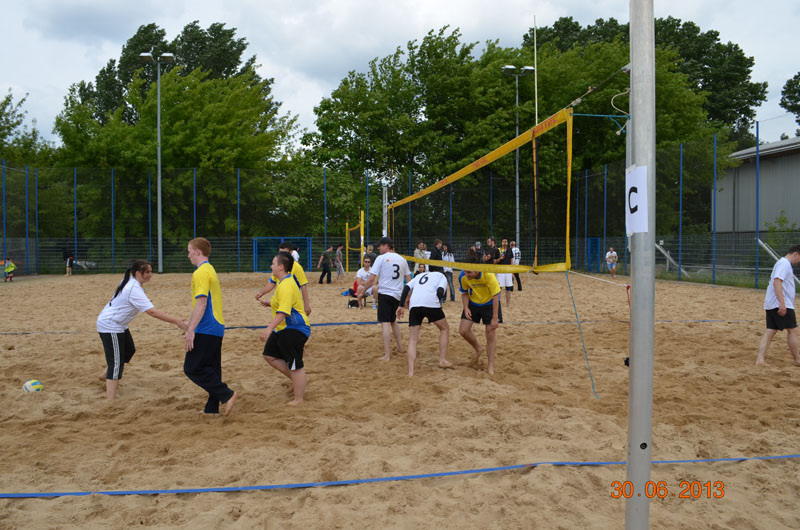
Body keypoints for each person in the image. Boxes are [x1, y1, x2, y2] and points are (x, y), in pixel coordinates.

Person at [96, 260, 187, 400]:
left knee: (129, 350)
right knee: (116, 364)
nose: (150, 274)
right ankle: (110, 400)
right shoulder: (133, 287)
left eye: (151, 271)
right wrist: (177, 321)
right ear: (138, 273)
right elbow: (152, 312)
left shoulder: (131, 282)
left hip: (119, 324)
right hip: (110, 325)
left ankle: (104, 375)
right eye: (147, 272)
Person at [184, 237, 239, 416]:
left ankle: (227, 394)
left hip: (206, 327)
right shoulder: (210, 269)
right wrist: (190, 322)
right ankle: (211, 408)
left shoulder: (200, 272)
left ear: (197, 252)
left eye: (189, 251)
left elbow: (202, 303)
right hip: (217, 326)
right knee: (212, 369)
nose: (188, 255)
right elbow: (200, 304)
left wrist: (191, 330)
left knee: (192, 368)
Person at [259, 253, 311, 405]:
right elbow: (284, 303)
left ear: (281, 267)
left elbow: (283, 312)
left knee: (295, 364)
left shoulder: (287, 284)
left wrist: (269, 328)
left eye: (273, 263)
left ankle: (299, 399)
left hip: (295, 328)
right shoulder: (283, 282)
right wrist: (270, 303)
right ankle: (298, 381)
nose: (271, 266)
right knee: (269, 355)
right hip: (284, 328)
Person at [396, 268, 452, 376]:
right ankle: (442, 360)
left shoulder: (419, 275)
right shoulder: (442, 277)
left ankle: (411, 372)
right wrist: (436, 309)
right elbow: (440, 291)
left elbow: (406, 287)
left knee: (413, 340)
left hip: (414, 305)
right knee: (444, 329)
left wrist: (401, 305)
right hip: (431, 303)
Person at [363, 236, 411, 360]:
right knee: (393, 322)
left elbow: (372, 278)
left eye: (380, 246)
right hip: (398, 295)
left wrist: (362, 291)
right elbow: (409, 280)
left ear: (386, 246)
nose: (378, 248)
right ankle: (400, 348)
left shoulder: (381, 258)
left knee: (385, 323)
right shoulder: (402, 259)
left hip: (385, 294)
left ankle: (387, 355)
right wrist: (408, 297)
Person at [755, 244, 800, 366]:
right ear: (796, 254)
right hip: (780, 304)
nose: (799, 262)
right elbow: (777, 282)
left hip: (773, 304)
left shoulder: (782, 263)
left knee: (770, 331)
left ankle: (760, 359)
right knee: (793, 330)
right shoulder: (785, 263)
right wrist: (782, 303)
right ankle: (797, 360)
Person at [459, 262, 502, 375]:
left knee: (490, 333)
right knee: (463, 330)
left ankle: (490, 366)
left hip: (490, 303)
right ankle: (478, 348)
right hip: (473, 303)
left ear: (477, 270)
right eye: (465, 271)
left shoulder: (489, 275)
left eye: (469, 272)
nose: (466, 274)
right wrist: (466, 307)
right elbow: (464, 292)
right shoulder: (463, 276)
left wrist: (495, 317)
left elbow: (496, 296)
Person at [256, 241, 312, 317]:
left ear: (291, 252)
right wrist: (262, 292)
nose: (282, 255)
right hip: (282, 299)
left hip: (293, 302)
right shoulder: (277, 267)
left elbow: (303, 285)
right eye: (280, 252)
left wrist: (306, 305)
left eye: (284, 252)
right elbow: (272, 283)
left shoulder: (297, 267)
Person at [496, 238, 514, 307]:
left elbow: (511, 261)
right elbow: (494, 261)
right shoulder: (498, 250)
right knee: (499, 288)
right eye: (503, 241)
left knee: (508, 288)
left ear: (507, 243)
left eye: (506, 241)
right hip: (500, 271)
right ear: (501, 242)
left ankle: (508, 303)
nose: (504, 242)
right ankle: (498, 303)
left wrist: (512, 272)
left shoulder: (510, 250)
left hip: (508, 271)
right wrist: (500, 259)